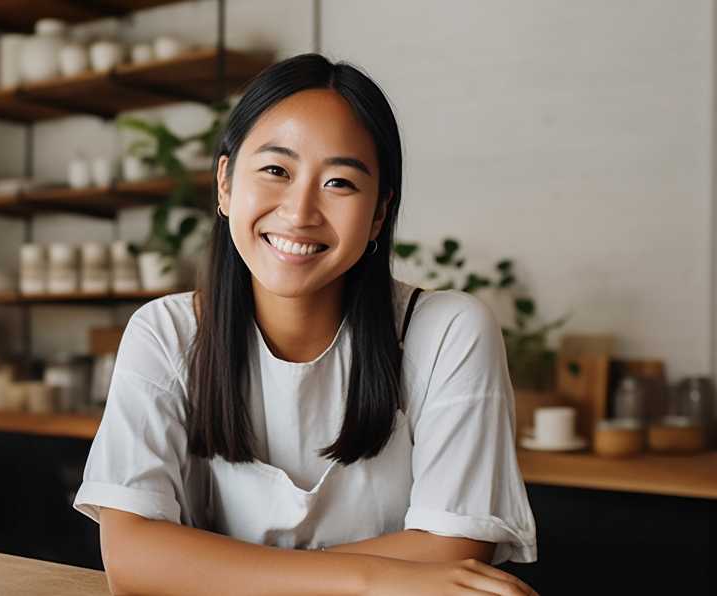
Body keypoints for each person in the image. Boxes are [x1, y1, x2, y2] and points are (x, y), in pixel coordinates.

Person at [73, 53, 538, 595]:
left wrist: (205, 568)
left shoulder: (449, 333)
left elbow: (454, 550)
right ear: (224, 183)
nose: (299, 212)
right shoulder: (166, 333)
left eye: (340, 183)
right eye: (276, 170)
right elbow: (132, 560)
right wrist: (369, 580)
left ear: (379, 215)